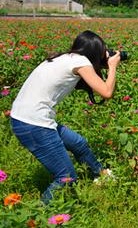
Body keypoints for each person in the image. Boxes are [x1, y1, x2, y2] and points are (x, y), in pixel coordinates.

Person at [10, 30, 121, 203]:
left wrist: (103, 63)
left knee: (78, 143)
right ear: (94, 52)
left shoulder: (67, 58)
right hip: (33, 124)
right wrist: (112, 65)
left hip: (26, 118)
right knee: (66, 178)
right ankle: (36, 216)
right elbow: (106, 92)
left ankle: (102, 176)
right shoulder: (81, 62)